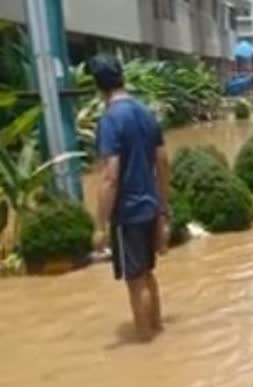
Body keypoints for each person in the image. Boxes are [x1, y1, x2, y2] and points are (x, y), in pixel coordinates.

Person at [89, 54, 171, 342]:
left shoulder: (111, 120)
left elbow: (110, 176)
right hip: (150, 207)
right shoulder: (146, 113)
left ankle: (146, 343)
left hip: (128, 213)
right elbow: (162, 162)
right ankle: (157, 330)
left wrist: (99, 226)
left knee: (135, 281)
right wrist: (163, 209)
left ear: (98, 87)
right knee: (148, 274)